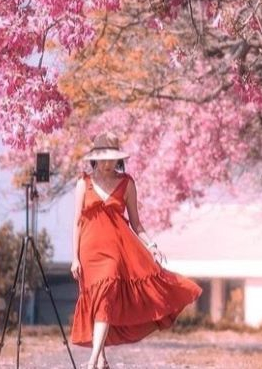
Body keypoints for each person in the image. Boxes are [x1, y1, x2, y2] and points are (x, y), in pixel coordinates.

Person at [69, 132, 202, 369]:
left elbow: (136, 222)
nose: (109, 164)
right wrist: (74, 258)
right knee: (97, 300)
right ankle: (101, 358)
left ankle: (91, 362)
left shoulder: (127, 183)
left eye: (113, 158)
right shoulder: (83, 183)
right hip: (89, 251)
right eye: (104, 158)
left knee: (107, 293)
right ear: (95, 158)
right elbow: (78, 221)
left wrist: (151, 245)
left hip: (115, 250)